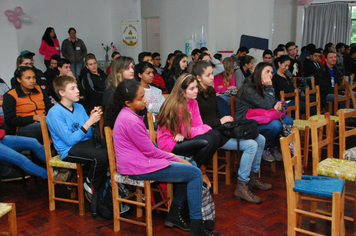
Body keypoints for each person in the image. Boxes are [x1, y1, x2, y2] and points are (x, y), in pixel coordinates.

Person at [109, 79, 221, 236]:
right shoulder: (131, 120)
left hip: (140, 162)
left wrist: (173, 157)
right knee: (194, 172)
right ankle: (197, 230)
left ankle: (175, 213)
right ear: (128, 102)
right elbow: (151, 152)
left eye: (143, 96)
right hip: (137, 167)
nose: (145, 100)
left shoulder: (127, 114)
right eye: (141, 98)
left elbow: (150, 150)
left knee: (192, 164)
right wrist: (176, 158)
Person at [192, 61, 270, 204]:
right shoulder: (194, 95)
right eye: (208, 75)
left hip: (219, 129)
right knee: (251, 145)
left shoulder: (211, 91)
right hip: (211, 134)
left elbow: (215, 115)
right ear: (198, 77)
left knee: (261, 139)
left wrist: (223, 121)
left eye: (212, 73)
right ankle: (242, 185)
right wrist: (220, 122)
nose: (212, 77)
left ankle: (252, 177)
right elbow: (198, 124)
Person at [46, 75, 108, 214]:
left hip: (84, 143)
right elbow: (69, 140)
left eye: (77, 87)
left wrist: (93, 120)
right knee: (102, 155)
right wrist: (88, 123)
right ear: (61, 93)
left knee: (113, 146)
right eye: (72, 88)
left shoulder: (79, 107)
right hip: (69, 150)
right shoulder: (54, 113)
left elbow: (89, 135)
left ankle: (106, 186)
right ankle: (90, 183)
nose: (77, 91)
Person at [157, 73, 222, 187]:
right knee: (207, 142)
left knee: (216, 135)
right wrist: (203, 128)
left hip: (182, 138)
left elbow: (197, 126)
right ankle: (194, 171)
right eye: (192, 88)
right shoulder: (178, 105)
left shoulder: (193, 102)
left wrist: (201, 128)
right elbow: (188, 132)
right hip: (169, 142)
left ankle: (196, 170)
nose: (196, 90)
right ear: (182, 91)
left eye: (196, 87)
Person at [235, 62, 293, 162]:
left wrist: (275, 104)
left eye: (271, 72)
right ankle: (265, 147)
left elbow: (266, 103)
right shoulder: (248, 89)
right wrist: (270, 87)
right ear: (259, 73)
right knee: (275, 125)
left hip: (260, 118)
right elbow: (266, 105)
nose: (271, 74)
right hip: (246, 123)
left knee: (288, 119)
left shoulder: (261, 85)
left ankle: (274, 145)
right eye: (267, 71)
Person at [3, 67, 52, 143]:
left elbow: (49, 106)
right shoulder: (10, 95)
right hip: (24, 127)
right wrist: (33, 118)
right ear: (19, 79)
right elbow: (10, 120)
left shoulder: (39, 89)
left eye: (34, 78)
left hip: (44, 121)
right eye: (28, 78)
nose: (32, 81)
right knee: (51, 126)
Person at [0, 114, 47, 179]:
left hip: (1, 137)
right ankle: (51, 176)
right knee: (19, 158)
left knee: (33, 142)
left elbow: (1, 121)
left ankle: (57, 169)